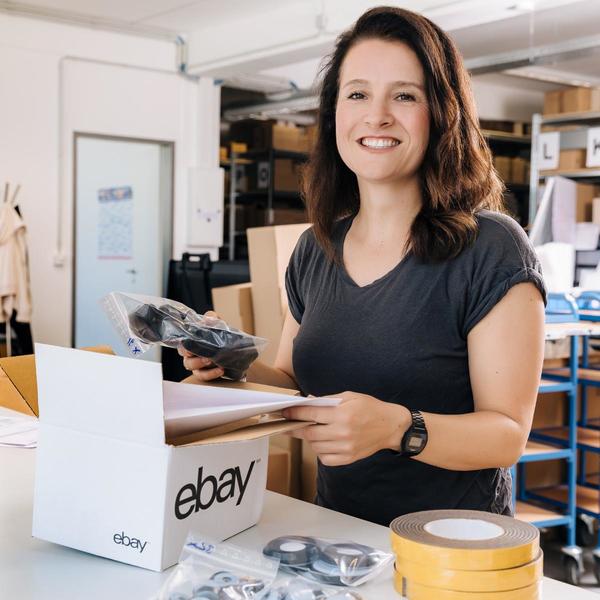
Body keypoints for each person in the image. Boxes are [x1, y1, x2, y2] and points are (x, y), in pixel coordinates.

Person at [180, 6, 546, 527]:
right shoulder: (316, 247)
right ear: (335, 115)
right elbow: (289, 380)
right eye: (357, 94)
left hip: (450, 545)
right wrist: (230, 361)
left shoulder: (489, 247)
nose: (377, 116)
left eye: (404, 95)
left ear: (441, 113)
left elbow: (507, 434)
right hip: (339, 534)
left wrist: (397, 428)